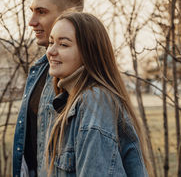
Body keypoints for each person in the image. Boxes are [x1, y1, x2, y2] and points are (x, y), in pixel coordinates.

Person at [44, 12, 150, 176]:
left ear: (89, 52)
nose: (51, 51)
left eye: (63, 44)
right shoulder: (74, 101)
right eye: (51, 42)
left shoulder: (94, 101)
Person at [12, 0, 84, 177]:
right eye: (32, 11)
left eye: (41, 12)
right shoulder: (41, 69)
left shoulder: (86, 83)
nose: (32, 22)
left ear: (69, 15)